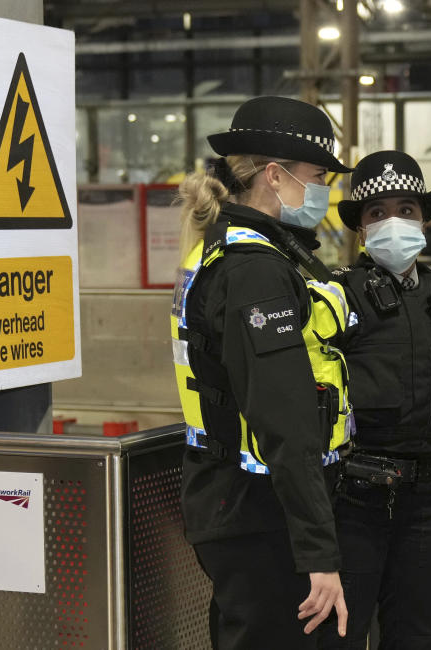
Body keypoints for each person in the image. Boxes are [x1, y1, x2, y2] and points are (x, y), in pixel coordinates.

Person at [171, 95, 354, 649]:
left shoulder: (237, 251)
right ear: (275, 176)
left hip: (241, 505)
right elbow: (284, 419)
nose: (325, 190)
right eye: (318, 176)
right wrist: (319, 553)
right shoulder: (256, 274)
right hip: (260, 514)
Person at [317, 150, 431, 650]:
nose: (394, 221)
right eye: (377, 213)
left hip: (425, 500)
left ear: (424, 219)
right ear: (360, 228)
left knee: (417, 635)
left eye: (406, 209)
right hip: (355, 498)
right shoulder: (338, 294)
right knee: (340, 632)